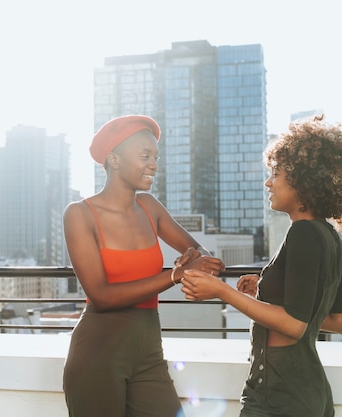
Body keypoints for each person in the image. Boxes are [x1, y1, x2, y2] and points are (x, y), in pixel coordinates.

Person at [180, 115, 342, 417]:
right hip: (311, 395)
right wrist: (266, 294)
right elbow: (336, 320)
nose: (268, 182)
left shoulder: (303, 233)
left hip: (279, 397)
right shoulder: (333, 239)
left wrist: (221, 290)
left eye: (276, 174)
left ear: (304, 181)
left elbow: (294, 325)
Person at [62, 115, 226, 417]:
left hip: (148, 351)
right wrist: (174, 275)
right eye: (145, 156)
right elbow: (101, 295)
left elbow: (202, 253)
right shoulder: (80, 214)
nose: (154, 165)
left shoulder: (150, 207)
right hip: (98, 353)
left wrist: (194, 258)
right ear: (114, 160)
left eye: (156, 157)